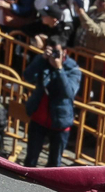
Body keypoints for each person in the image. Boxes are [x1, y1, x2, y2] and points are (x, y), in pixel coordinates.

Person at [21, 35, 82, 167]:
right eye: (51, 51)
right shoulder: (42, 61)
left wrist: (59, 69)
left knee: (54, 164)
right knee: (30, 160)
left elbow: (69, 93)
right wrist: (41, 59)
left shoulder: (73, 69)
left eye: (57, 51)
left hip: (60, 122)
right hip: (38, 119)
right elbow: (27, 76)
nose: (53, 55)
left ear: (65, 52)